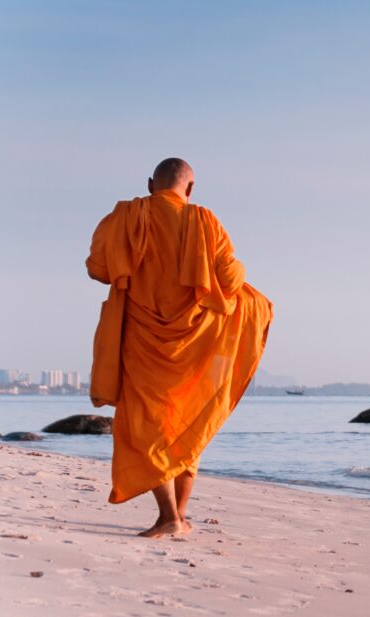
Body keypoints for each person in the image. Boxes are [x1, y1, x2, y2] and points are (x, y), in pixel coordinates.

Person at [86, 158, 272, 538]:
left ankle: (170, 517)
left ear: (150, 183)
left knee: (146, 427)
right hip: (195, 347)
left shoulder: (125, 216)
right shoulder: (204, 222)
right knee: (185, 423)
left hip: (142, 343)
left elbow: (98, 268)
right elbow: (230, 278)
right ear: (190, 189)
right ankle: (179, 515)